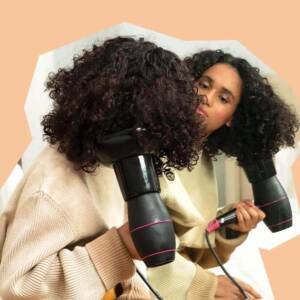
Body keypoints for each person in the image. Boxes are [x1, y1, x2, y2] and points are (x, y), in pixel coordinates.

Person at [0, 36, 206, 300]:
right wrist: (118, 248)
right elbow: (14, 290)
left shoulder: (115, 167)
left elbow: (126, 274)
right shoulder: (51, 188)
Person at [154, 49, 300, 299]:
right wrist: (207, 286)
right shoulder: (147, 148)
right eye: (203, 85)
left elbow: (194, 255)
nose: (206, 98)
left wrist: (228, 232)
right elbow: (137, 252)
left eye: (223, 98)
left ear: (232, 118)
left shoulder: (203, 163)